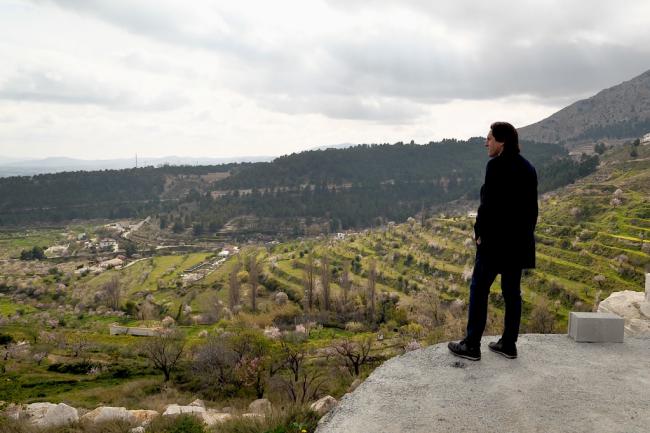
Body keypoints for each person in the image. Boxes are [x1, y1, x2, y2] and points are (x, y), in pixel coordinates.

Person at [448, 122, 538, 360]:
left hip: (495, 244)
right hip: (518, 245)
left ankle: (472, 345)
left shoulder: (495, 166)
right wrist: (525, 239)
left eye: (489, 139)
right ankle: (509, 344)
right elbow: (532, 211)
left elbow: (488, 206)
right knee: (511, 293)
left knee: (479, 289)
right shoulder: (528, 168)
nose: (486, 143)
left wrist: (479, 233)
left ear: (502, 142)